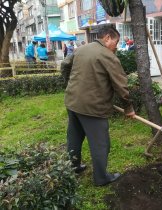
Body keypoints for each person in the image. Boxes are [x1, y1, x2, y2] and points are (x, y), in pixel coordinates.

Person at [60, 25, 135, 186]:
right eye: (115, 42)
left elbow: (65, 65)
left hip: (72, 101)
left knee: (74, 136)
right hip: (93, 108)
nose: (116, 47)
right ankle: (101, 177)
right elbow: (121, 86)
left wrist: (70, 85)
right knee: (101, 144)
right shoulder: (108, 56)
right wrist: (128, 108)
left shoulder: (81, 49)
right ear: (107, 38)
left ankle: (73, 167)